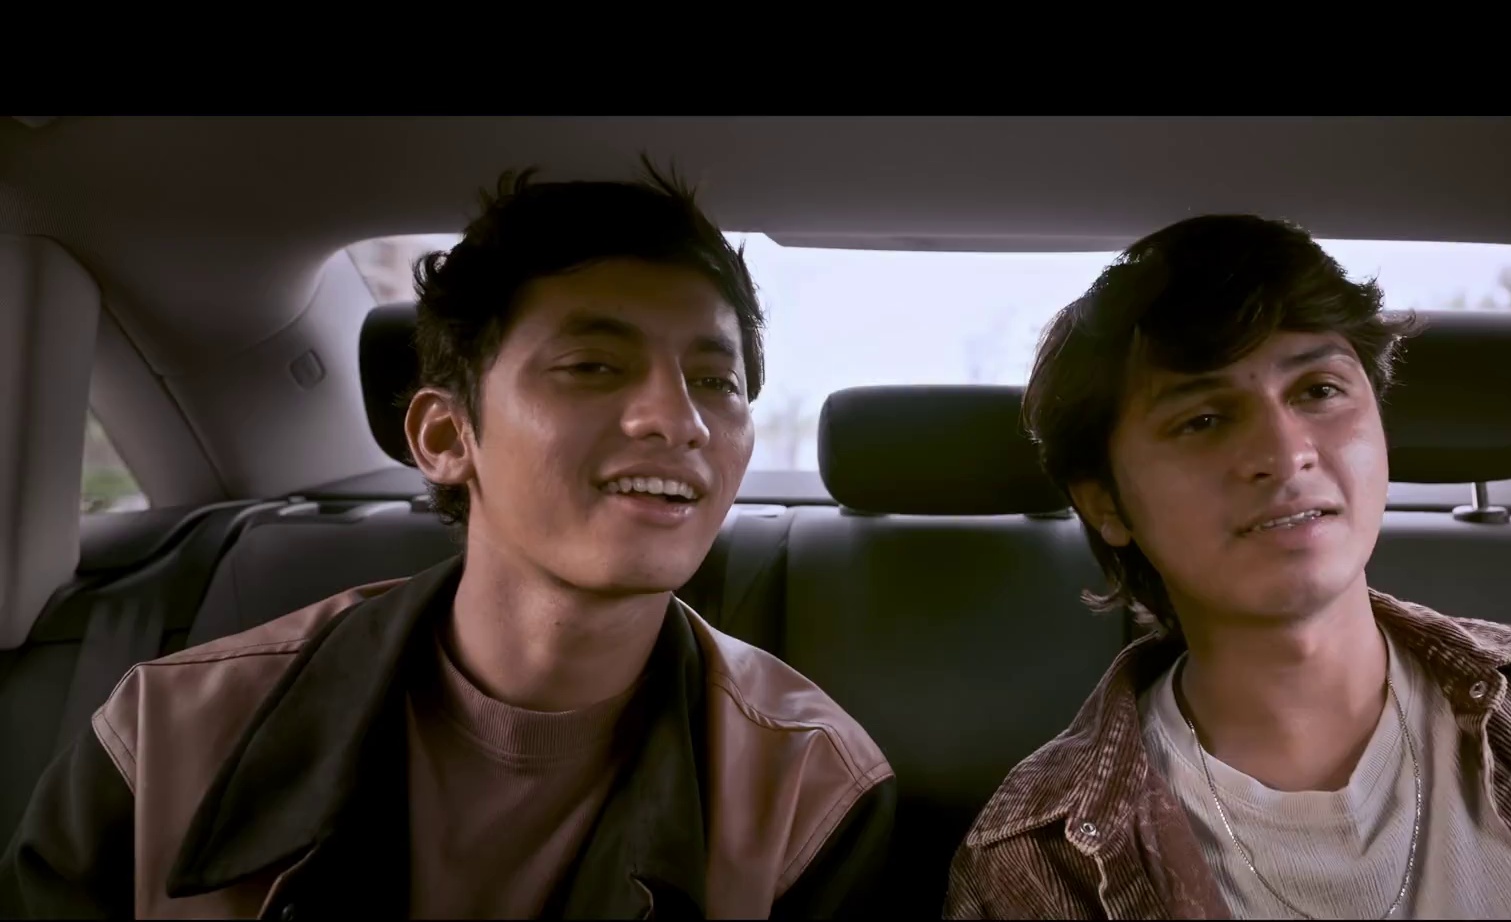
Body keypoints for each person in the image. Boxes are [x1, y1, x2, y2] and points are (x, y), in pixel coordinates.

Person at [1, 165, 895, 920]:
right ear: (443, 436)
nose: (679, 419)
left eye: (715, 381)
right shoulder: (169, 738)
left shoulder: (808, 792)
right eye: (593, 365)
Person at [943, 214, 1511, 919]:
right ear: (1107, 503)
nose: (1285, 451)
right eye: (1203, 418)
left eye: (1320, 389)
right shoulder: (1035, 862)